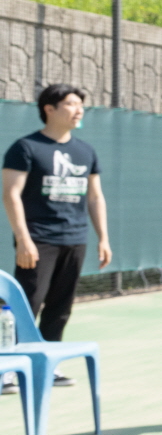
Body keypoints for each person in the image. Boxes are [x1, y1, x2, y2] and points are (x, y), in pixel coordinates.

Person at [3, 84, 112, 363]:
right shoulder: (25, 147)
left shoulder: (85, 151)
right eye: (72, 104)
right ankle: (10, 365)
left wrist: (103, 238)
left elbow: (95, 197)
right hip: (38, 241)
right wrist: (23, 239)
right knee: (27, 305)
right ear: (49, 109)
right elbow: (11, 194)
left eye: (81, 105)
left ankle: (48, 363)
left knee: (61, 307)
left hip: (75, 239)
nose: (79, 110)